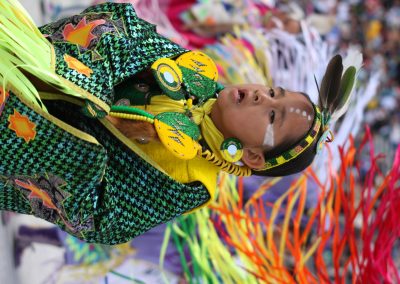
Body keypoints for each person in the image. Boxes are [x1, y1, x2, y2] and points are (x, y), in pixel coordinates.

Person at [0, 0, 358, 244]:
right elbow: (122, 27)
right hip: (16, 63)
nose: (261, 96)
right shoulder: (197, 72)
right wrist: (84, 80)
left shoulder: (192, 181)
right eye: (273, 91)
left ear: (253, 157)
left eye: (272, 115)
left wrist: (95, 122)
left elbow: (100, 220)